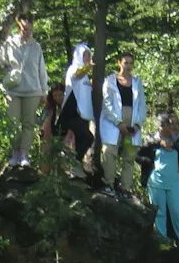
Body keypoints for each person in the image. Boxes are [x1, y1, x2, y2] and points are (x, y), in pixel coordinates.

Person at [0, 15, 48, 168]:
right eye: (23, 28)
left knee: (28, 124)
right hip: (13, 90)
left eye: (28, 29)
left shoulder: (36, 47)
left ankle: (24, 154)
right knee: (12, 123)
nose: (26, 31)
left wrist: (44, 91)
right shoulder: (10, 44)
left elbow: (42, 70)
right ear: (18, 28)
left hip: (33, 90)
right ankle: (14, 153)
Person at [139, 112, 179, 253]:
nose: (170, 127)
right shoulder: (152, 139)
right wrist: (157, 146)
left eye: (171, 125)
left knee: (178, 211)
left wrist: (173, 145)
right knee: (160, 212)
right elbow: (138, 153)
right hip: (156, 181)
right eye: (165, 124)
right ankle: (163, 241)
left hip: (175, 182)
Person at [97, 52, 147, 199]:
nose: (128, 66)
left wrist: (138, 124)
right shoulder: (110, 81)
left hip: (132, 119)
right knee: (109, 151)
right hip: (114, 121)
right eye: (126, 63)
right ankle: (109, 184)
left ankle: (125, 188)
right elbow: (107, 104)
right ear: (119, 63)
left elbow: (142, 105)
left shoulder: (137, 82)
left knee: (129, 156)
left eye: (131, 63)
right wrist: (118, 123)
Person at [59, 43, 95, 171]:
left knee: (82, 140)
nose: (87, 58)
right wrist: (87, 67)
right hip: (72, 112)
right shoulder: (74, 69)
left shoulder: (85, 76)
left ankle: (75, 168)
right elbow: (76, 76)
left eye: (89, 56)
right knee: (88, 137)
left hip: (83, 114)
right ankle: (72, 163)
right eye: (85, 55)